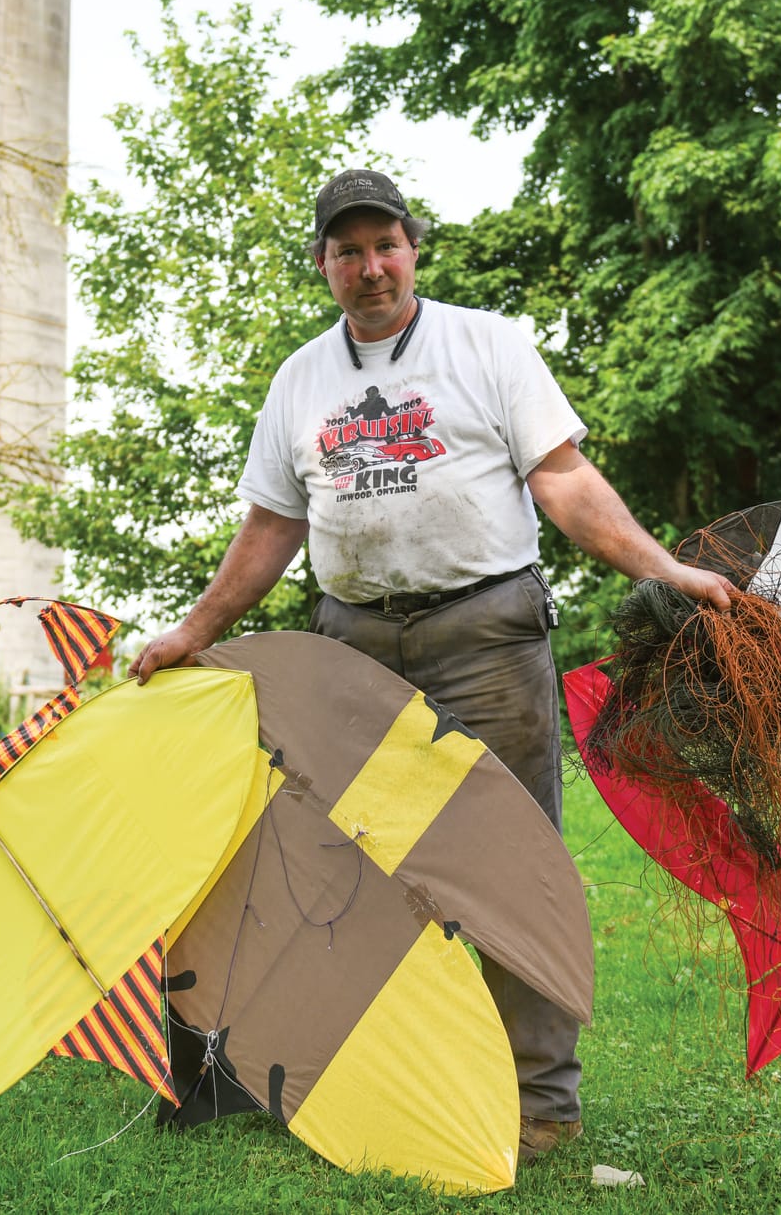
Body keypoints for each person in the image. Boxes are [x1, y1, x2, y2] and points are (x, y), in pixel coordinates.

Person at [134, 167, 733, 1165]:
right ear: (322, 264)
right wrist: (194, 629)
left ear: (412, 249)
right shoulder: (299, 381)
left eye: (385, 246)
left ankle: (539, 1101)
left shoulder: (485, 346)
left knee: (508, 861)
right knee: (328, 863)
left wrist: (662, 566)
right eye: (346, 250)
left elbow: (564, 480)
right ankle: (303, 1073)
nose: (369, 267)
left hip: (484, 637)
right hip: (352, 650)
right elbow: (272, 526)